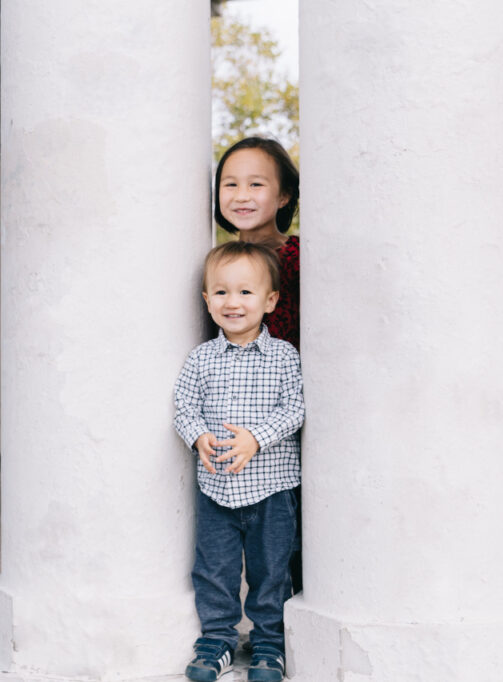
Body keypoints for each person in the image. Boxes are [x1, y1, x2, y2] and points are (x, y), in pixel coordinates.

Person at [174, 241, 304, 682]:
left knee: (271, 570)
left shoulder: (285, 356)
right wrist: (199, 437)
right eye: (222, 292)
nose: (233, 302)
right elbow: (184, 409)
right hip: (217, 489)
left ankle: (269, 643)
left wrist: (256, 438)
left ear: (270, 301)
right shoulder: (200, 359)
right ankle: (217, 639)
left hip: (272, 488)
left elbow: (296, 409)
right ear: (207, 299)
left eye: (246, 293)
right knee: (214, 569)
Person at [214, 136, 303, 593]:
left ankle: (284, 635)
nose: (242, 195)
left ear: (284, 195)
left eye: (256, 184)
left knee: (290, 543)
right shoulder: (219, 264)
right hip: (231, 424)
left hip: (286, 421)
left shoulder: (297, 258)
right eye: (230, 184)